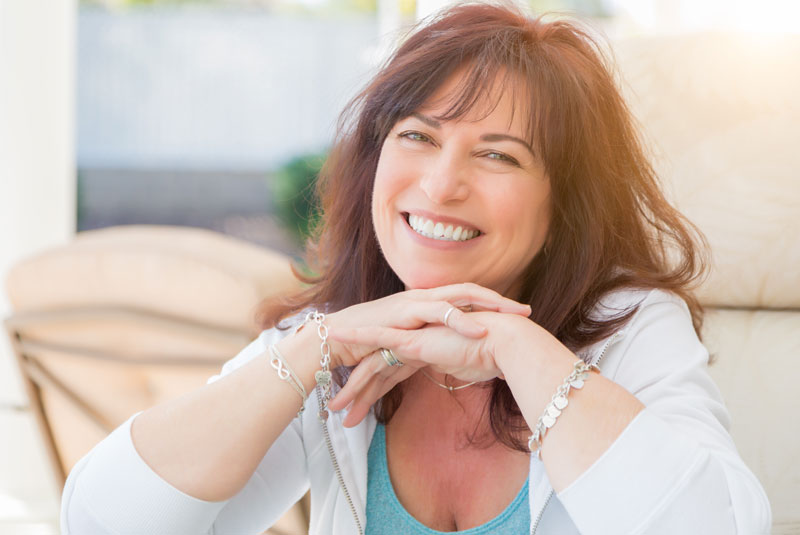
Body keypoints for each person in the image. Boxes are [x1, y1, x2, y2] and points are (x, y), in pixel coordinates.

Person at [60, 2, 772, 534]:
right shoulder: (336, 337)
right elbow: (101, 519)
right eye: (417, 137)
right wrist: (313, 348)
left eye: (499, 154)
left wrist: (512, 347)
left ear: (567, 202)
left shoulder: (633, 329)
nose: (439, 185)